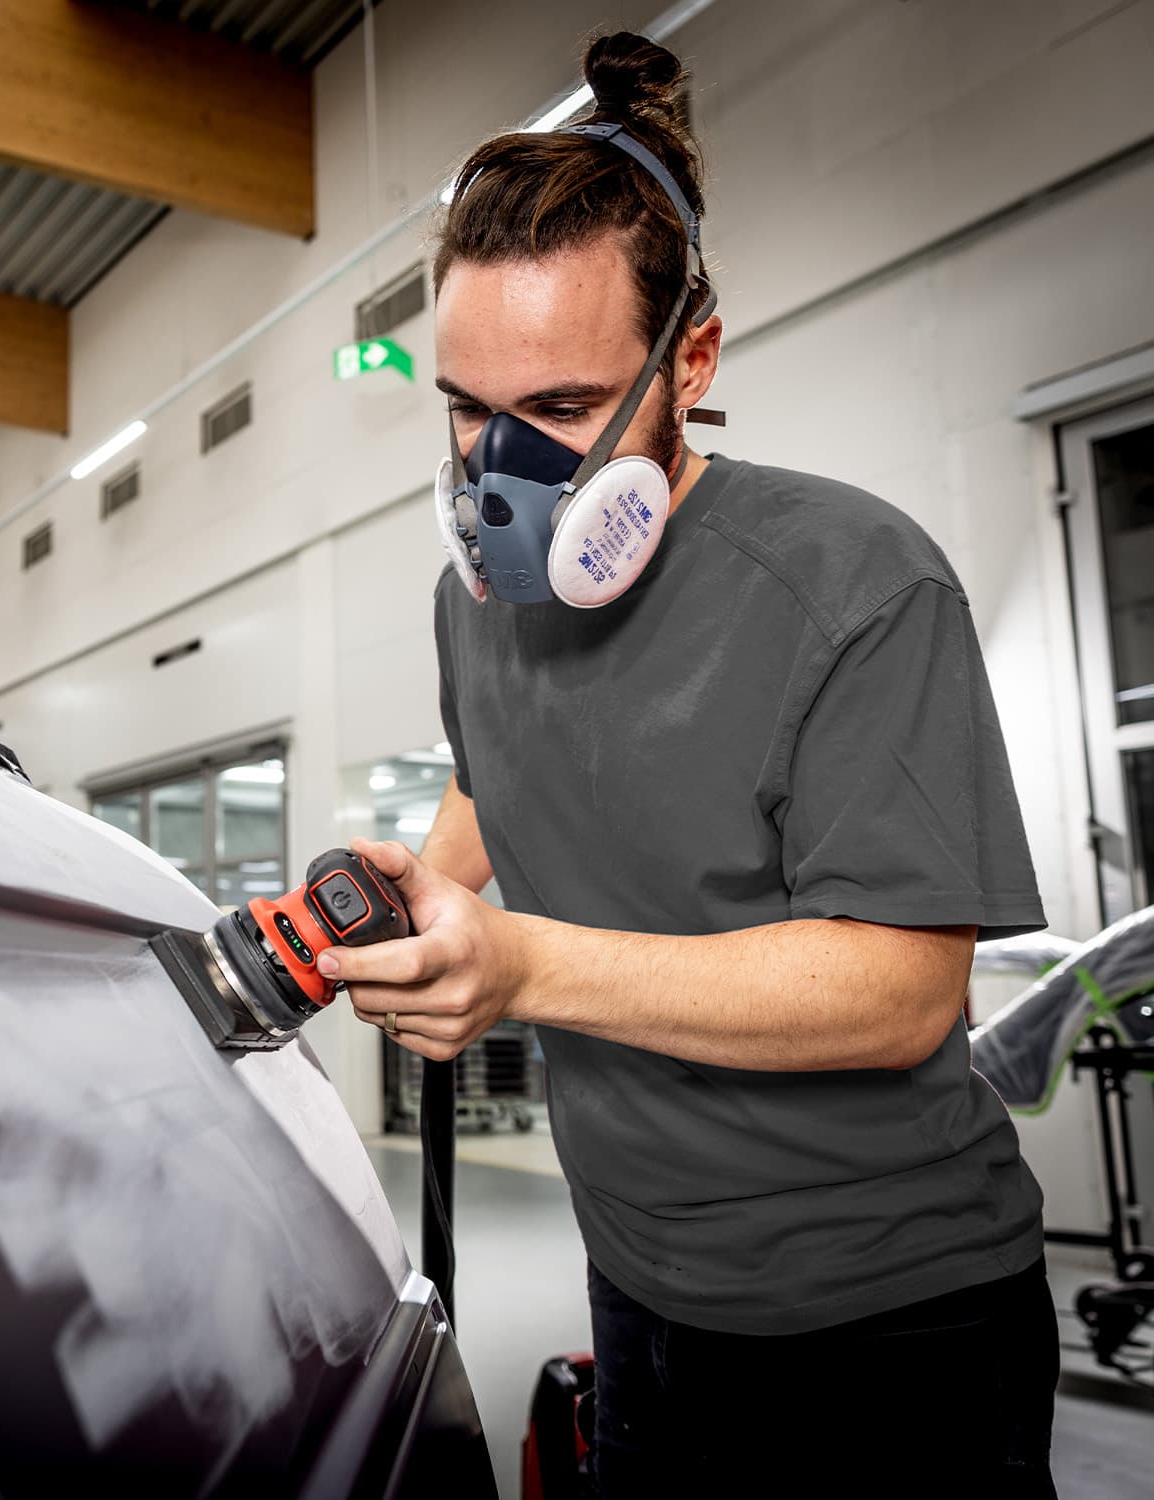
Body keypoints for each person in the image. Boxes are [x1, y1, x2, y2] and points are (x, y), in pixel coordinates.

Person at [320, 31, 1059, 1498]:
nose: (498, 475)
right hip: (638, 1288)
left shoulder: (856, 582)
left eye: (564, 413)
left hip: (887, 1325)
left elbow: (900, 991)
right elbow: (495, 780)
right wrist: (411, 890)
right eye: (467, 411)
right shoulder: (478, 607)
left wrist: (518, 969)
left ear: (691, 362)